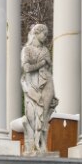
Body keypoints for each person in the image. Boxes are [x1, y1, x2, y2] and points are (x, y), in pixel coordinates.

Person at [21, 23, 58, 155]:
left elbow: (49, 68)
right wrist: (41, 63)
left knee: (44, 116)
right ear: (36, 33)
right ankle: (32, 145)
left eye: (47, 35)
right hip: (33, 84)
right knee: (32, 115)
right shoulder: (27, 50)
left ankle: (42, 145)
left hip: (47, 83)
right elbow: (26, 68)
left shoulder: (45, 51)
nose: (46, 37)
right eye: (44, 34)